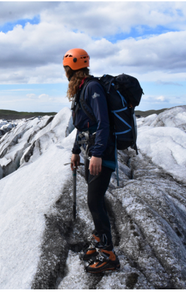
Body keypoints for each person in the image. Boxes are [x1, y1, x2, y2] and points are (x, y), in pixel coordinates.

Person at [64, 48, 120, 273]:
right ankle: (99, 241)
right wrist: (76, 151)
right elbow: (84, 125)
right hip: (91, 151)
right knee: (94, 200)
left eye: (66, 69)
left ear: (72, 68)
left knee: (94, 201)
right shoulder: (81, 89)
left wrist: (97, 154)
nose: (65, 73)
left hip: (101, 152)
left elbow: (103, 122)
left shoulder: (92, 88)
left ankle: (109, 256)